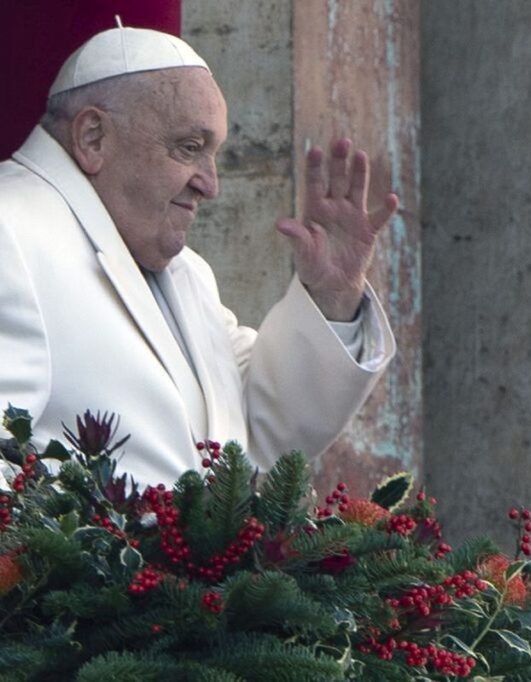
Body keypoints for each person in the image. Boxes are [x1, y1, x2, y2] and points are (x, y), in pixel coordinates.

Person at [0, 26, 398, 484]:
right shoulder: (12, 229)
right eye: (189, 148)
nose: (210, 184)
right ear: (93, 137)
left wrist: (332, 296)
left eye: (215, 155)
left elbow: (252, 428)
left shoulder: (188, 272)